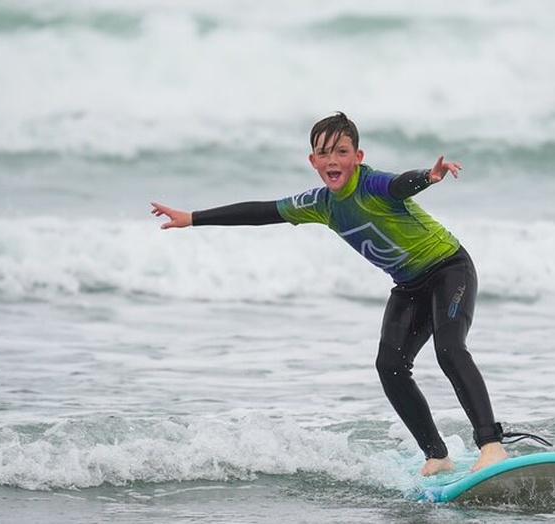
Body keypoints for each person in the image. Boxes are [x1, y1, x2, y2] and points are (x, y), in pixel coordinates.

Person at [151, 112, 507, 476]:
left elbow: (399, 184)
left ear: (358, 157)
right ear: (313, 161)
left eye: (341, 151)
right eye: (323, 153)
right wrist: (193, 217)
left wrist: (427, 178)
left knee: (449, 348)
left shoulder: (371, 184)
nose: (332, 160)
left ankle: (491, 446)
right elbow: (262, 211)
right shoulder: (320, 204)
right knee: (390, 367)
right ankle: (437, 456)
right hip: (410, 285)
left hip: (449, 268)